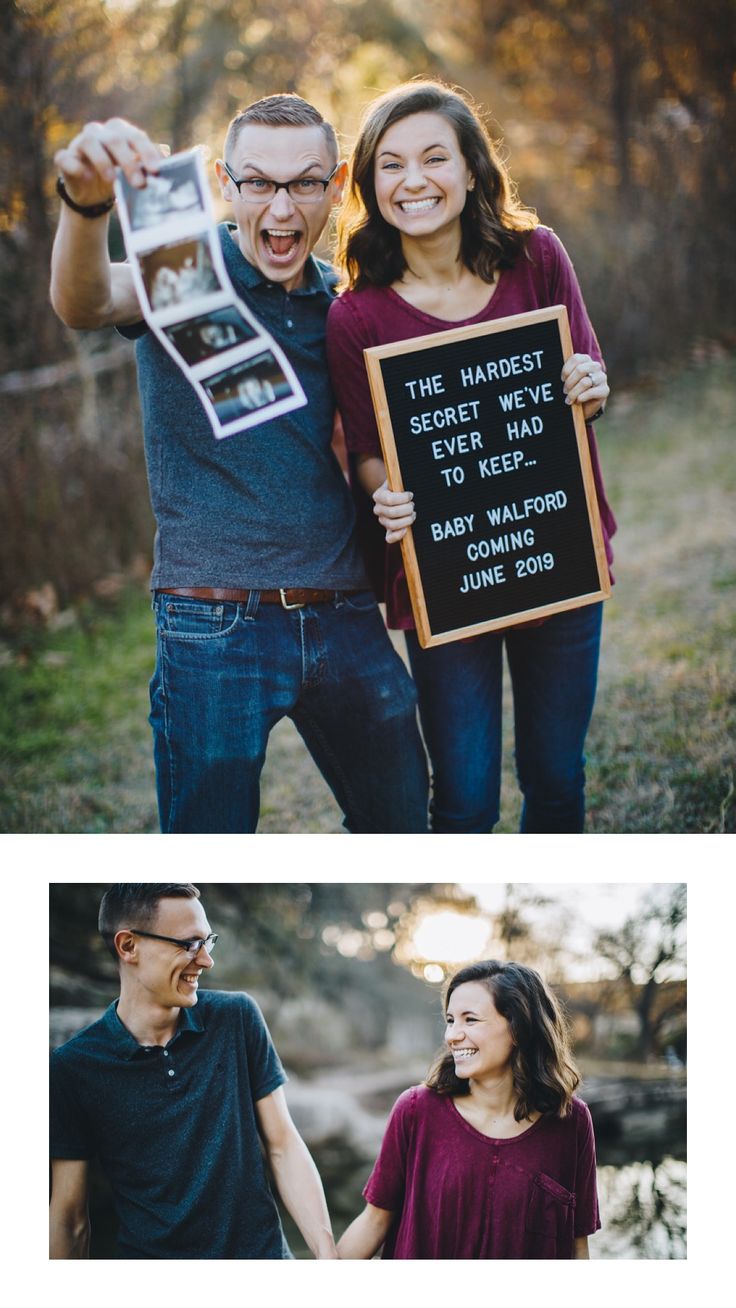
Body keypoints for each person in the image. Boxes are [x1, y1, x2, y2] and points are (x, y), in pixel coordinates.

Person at [50, 96, 428, 834]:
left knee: (403, 827)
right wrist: (85, 207)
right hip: (212, 619)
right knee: (206, 848)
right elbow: (84, 302)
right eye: (259, 183)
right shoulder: (184, 272)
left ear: (338, 184)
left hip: (345, 612)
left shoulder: (346, 306)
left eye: (304, 183)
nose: (280, 206)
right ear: (226, 182)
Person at [326, 80, 617, 833]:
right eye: (390, 165)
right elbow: (365, 449)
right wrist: (383, 490)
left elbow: (586, 378)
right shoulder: (356, 315)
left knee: (557, 778)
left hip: (557, 552)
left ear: (470, 170)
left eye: (433, 158)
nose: (413, 180)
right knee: (464, 799)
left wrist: (591, 384)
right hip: (446, 576)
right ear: (370, 184)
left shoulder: (536, 258)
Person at [49, 882, 338, 1259]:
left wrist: (327, 1256)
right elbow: (70, 1218)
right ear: (128, 946)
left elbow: (283, 1145)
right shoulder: (74, 1068)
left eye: (207, 941)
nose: (206, 960)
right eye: (189, 944)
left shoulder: (236, 1018)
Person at [337, 959, 600, 1259]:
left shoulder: (572, 1122)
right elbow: (374, 1220)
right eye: (450, 1020)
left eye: (470, 1020)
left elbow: (577, 1245)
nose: (451, 1035)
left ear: (518, 1028)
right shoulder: (415, 1111)